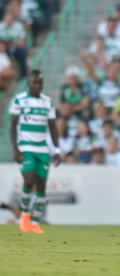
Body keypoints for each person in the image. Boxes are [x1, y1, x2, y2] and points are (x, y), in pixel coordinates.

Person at [9, 70, 61, 234]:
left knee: (41, 185)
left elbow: (53, 127)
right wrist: (15, 149)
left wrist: (57, 150)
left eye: (40, 83)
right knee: (29, 178)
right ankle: (25, 215)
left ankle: (35, 222)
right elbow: (12, 126)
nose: (37, 86)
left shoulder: (48, 102)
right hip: (25, 146)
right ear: (28, 83)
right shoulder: (19, 100)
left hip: (42, 148)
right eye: (34, 82)